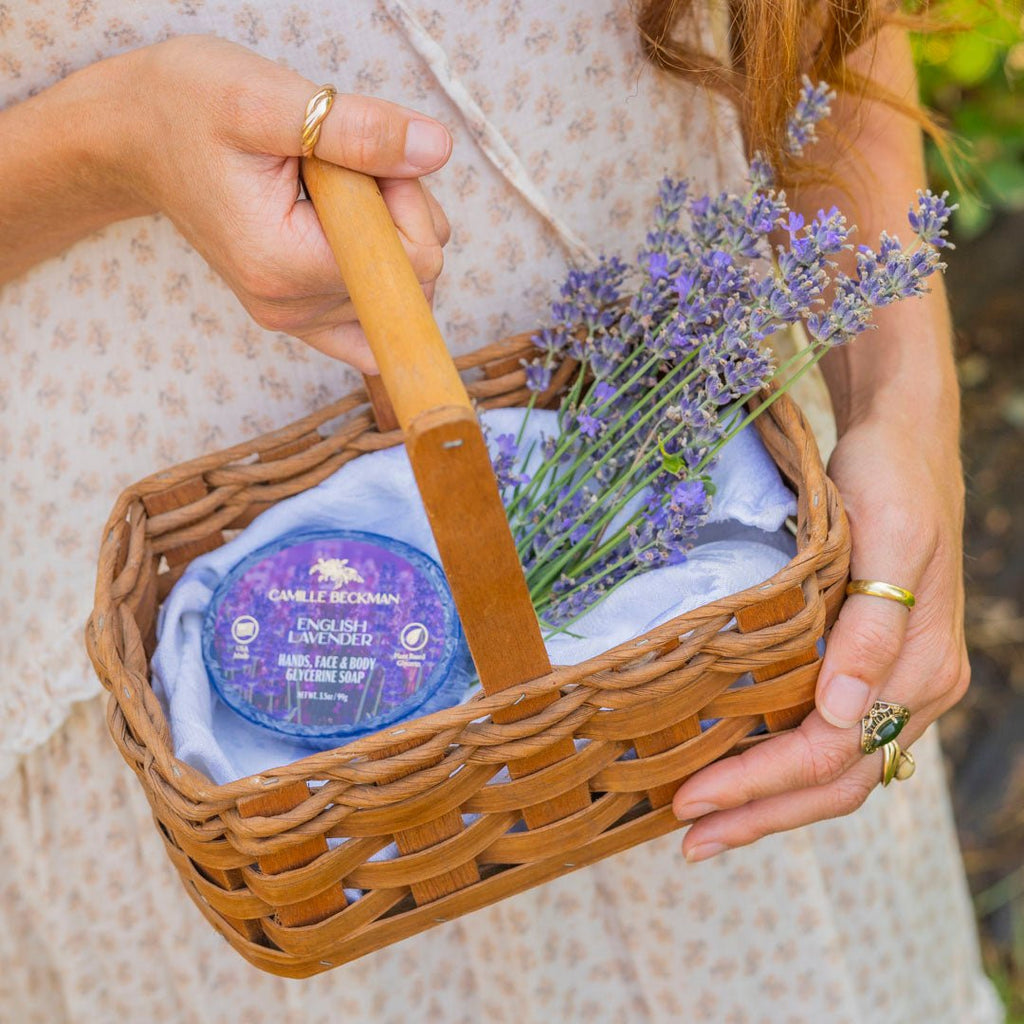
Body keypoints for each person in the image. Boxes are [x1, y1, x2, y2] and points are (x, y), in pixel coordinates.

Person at [0, 2, 1002, 1021]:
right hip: (279, 802)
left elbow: (817, 35)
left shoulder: (745, 589)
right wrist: (113, 139)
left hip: (707, 631)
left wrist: (901, 407)